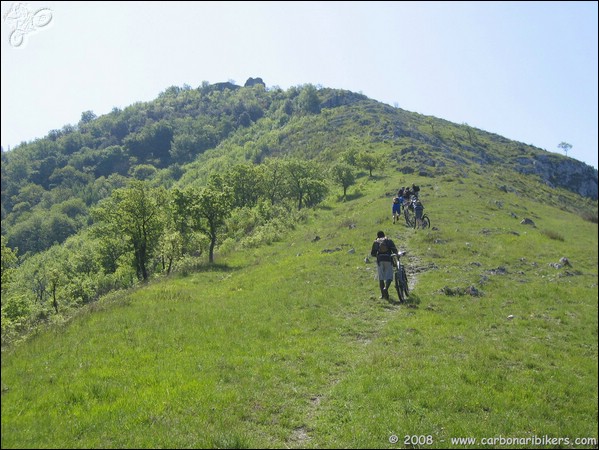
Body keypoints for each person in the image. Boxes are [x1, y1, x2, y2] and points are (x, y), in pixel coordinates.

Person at [370, 231, 398, 300]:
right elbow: (395, 251)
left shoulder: (376, 242)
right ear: (384, 235)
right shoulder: (388, 240)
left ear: (377, 236)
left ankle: (383, 295)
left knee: (381, 278)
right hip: (388, 259)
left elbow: (372, 253)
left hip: (380, 260)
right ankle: (386, 288)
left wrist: (377, 255)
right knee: (389, 277)